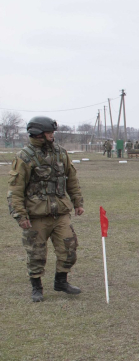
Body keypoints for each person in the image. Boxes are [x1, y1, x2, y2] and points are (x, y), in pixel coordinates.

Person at [7, 116, 84, 302]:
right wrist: (20, 215)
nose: (52, 135)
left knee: (69, 248)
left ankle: (61, 281)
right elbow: (15, 190)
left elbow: (72, 179)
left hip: (60, 213)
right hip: (36, 215)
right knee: (36, 253)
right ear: (38, 134)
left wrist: (78, 202)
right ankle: (37, 287)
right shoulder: (24, 157)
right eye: (49, 132)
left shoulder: (61, 153)